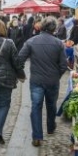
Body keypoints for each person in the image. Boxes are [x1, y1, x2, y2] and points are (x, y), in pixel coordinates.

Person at [17, 17, 68, 147]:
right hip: (52, 80)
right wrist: (57, 76)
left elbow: (19, 60)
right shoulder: (58, 43)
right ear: (54, 28)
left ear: (41, 27)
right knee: (51, 105)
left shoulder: (31, 41)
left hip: (36, 80)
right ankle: (50, 128)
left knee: (36, 106)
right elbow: (63, 65)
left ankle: (37, 136)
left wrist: (21, 73)